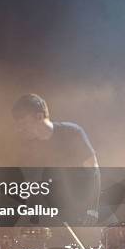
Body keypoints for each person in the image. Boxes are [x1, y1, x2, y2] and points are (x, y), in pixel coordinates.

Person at [11, 93, 100, 224]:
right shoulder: (28, 148)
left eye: (24, 123)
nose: (20, 129)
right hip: (54, 219)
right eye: (18, 124)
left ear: (39, 116)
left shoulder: (72, 132)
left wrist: (93, 209)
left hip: (82, 213)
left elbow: (93, 171)